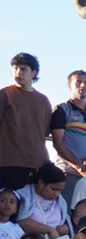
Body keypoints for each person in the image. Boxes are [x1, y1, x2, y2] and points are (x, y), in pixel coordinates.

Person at [49, 70, 86, 200]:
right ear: (69, 86)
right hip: (68, 174)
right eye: (78, 82)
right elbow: (58, 143)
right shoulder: (61, 110)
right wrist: (79, 166)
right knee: (67, 214)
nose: (83, 86)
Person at [0, 54, 52, 190]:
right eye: (15, 68)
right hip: (9, 163)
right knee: (9, 208)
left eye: (23, 69)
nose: (18, 73)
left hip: (38, 164)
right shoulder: (4, 95)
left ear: (33, 73)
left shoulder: (43, 100)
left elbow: (45, 131)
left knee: (35, 209)